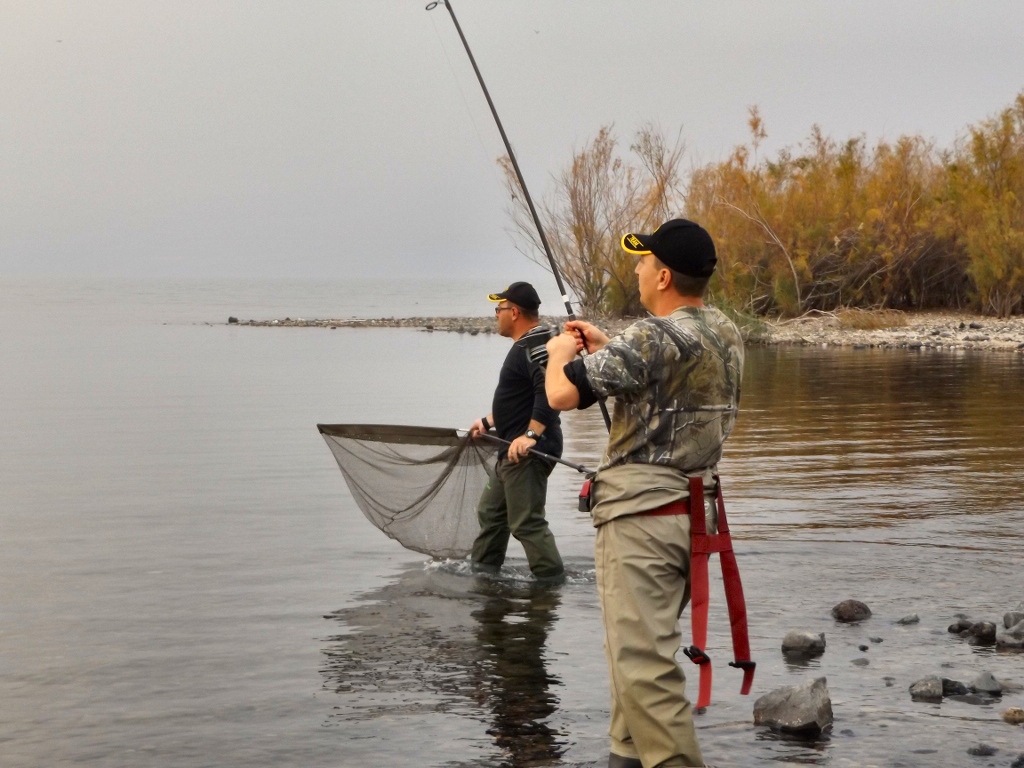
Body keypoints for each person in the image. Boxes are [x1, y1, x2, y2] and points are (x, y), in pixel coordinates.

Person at [544, 220, 743, 768]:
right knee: (633, 660)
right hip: (695, 519)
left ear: (661, 275)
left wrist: (562, 350)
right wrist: (610, 347)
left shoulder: (651, 338)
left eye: (641, 261)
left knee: (642, 666)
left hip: (642, 520)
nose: (635, 269)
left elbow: (562, 394)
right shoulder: (724, 332)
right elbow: (671, 376)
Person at [468, 281, 565, 581]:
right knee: (491, 514)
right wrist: (487, 422)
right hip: (510, 448)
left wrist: (531, 435)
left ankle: (551, 586)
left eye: (499, 308)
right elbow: (519, 400)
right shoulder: (526, 345)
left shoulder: (536, 346)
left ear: (515, 312)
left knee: (526, 524)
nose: (496, 314)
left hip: (528, 450)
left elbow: (550, 393)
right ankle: (483, 579)